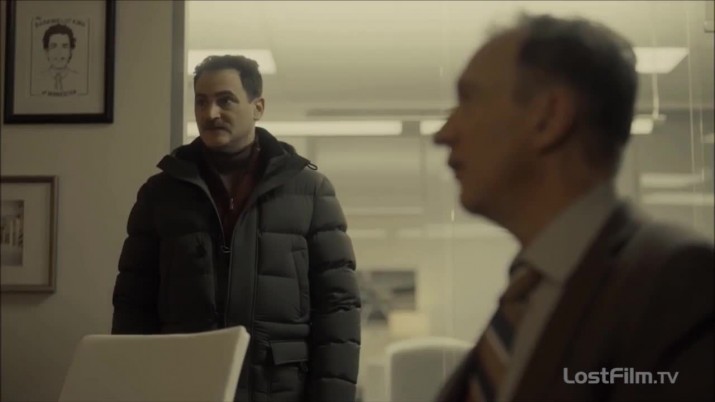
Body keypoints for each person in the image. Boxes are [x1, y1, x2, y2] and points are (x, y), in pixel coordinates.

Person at [433, 13, 713, 402]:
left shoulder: (677, 284)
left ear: (549, 118)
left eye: (469, 100)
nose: (443, 133)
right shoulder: (527, 296)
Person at [111, 55, 361, 402]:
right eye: (201, 102)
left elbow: (338, 308)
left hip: (278, 390)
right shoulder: (161, 193)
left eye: (225, 100)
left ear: (258, 107)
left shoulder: (310, 191)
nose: (211, 113)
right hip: (185, 387)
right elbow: (132, 305)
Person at [34, 24, 82, 94]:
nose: (59, 52)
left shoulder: (79, 79)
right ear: (46, 52)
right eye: (53, 46)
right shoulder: (37, 80)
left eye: (64, 46)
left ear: (71, 51)